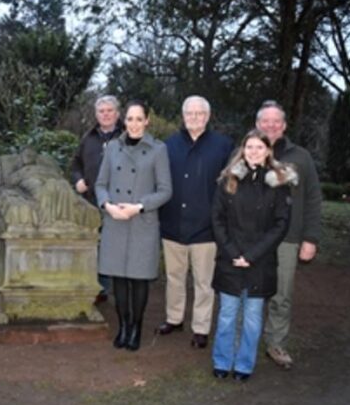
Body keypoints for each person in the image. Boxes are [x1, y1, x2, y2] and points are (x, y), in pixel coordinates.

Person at [210, 129, 297, 381]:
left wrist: (252, 255)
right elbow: (217, 218)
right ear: (242, 150)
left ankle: (244, 365)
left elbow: (281, 224)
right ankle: (222, 361)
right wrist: (232, 252)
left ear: (268, 151)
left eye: (260, 147)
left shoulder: (278, 184)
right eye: (249, 147)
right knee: (227, 316)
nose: (254, 152)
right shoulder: (228, 180)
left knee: (251, 319)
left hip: (260, 261)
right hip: (230, 259)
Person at [156, 96, 234, 349]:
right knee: (174, 277)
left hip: (206, 228)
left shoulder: (223, 146)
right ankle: (174, 318)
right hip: (172, 224)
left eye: (200, 113)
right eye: (190, 113)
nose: (195, 117)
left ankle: (201, 328)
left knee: (204, 282)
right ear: (183, 115)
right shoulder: (168, 146)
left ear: (208, 116)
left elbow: (230, 188)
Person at [95, 100, 172, 351]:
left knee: (138, 280)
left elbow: (165, 190)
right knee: (118, 280)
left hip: (142, 222)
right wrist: (107, 205)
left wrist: (139, 206)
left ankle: (136, 327)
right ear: (123, 121)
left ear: (147, 120)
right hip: (115, 221)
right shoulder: (112, 148)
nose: (135, 124)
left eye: (140, 119)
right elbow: (100, 184)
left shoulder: (158, 150)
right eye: (130, 119)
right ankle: (124, 325)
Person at [256, 100, 322, 369]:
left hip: (287, 237)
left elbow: (313, 198)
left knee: (281, 294)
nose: (270, 126)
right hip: (252, 238)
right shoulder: (246, 152)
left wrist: (311, 238)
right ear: (257, 124)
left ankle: (276, 342)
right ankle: (243, 339)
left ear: (283, 125)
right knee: (246, 291)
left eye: (276, 121)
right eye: (265, 121)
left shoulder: (300, 157)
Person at [71, 95, 124, 304]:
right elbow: (75, 164)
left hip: (118, 202)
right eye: (101, 111)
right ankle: (96, 288)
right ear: (96, 114)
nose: (105, 114)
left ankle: (111, 287)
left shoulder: (126, 136)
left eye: (110, 110)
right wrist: (78, 180)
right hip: (91, 201)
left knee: (113, 246)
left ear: (117, 114)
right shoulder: (89, 138)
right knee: (93, 246)